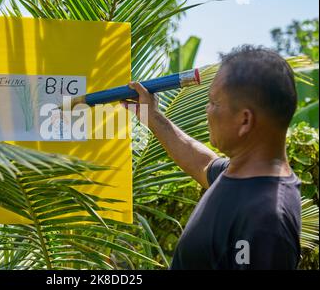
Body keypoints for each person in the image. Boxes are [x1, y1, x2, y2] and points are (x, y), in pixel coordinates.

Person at [125, 45, 301, 269]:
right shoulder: (243, 173)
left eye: (214, 103)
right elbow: (203, 163)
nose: (207, 110)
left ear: (245, 120)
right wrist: (152, 116)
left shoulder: (265, 221)